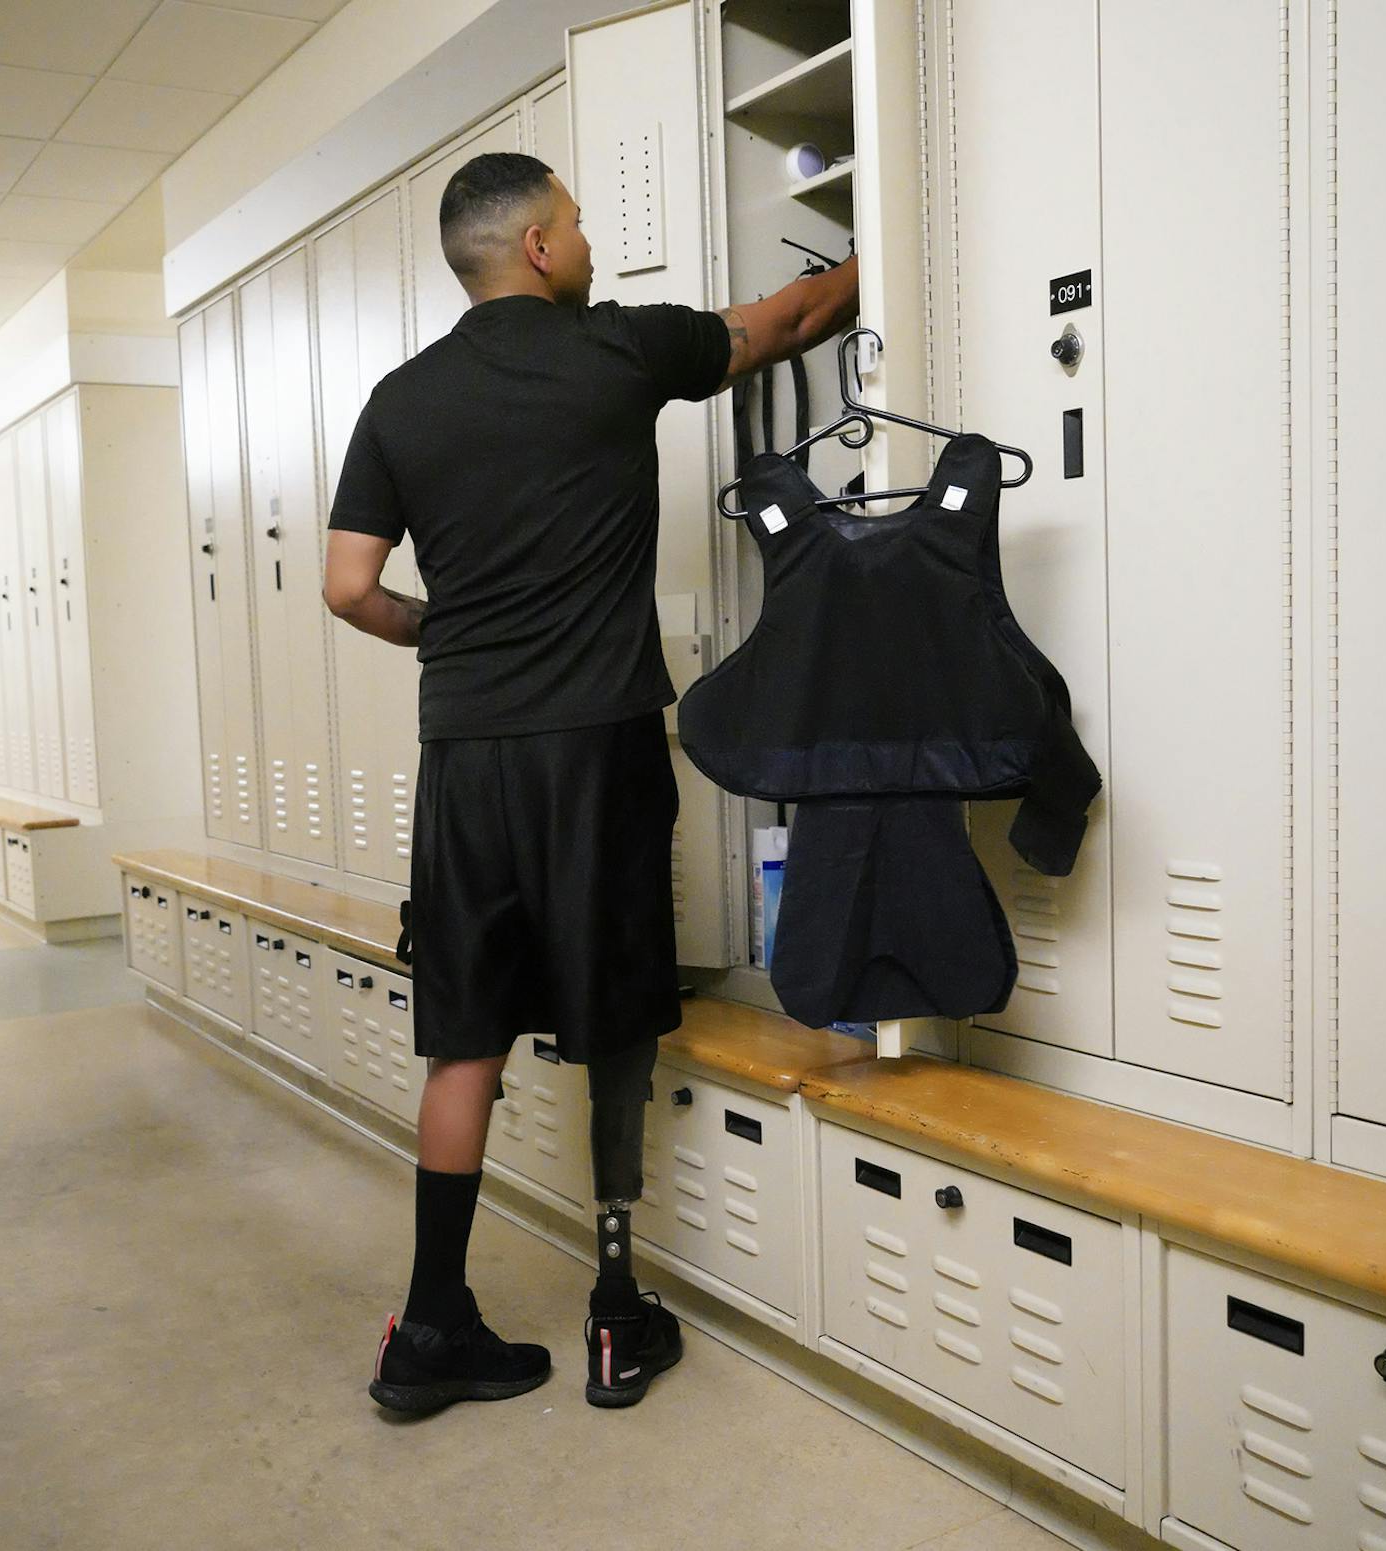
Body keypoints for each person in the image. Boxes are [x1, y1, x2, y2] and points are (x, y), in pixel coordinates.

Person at [324, 152, 857, 1413]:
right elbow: (788, 322)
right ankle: (617, 1316)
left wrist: (440, 634)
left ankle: (432, 1328)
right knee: (612, 1017)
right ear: (542, 250)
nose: (590, 240)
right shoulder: (620, 350)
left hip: (464, 758)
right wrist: (879, 239)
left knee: (464, 1038)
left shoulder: (398, 402)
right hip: (596, 745)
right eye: (577, 220)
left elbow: (348, 586)